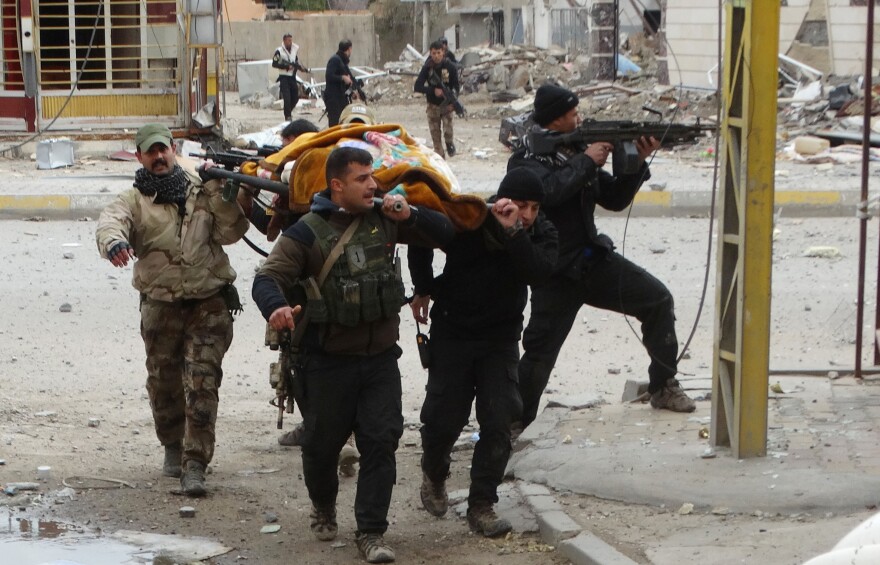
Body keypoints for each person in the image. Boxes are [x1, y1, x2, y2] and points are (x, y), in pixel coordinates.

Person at [252, 147, 454, 563]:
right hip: (326, 363)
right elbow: (267, 277)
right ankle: (324, 505)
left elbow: (447, 233)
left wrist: (411, 215)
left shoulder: (385, 219)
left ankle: (371, 531)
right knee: (322, 447)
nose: (373, 185)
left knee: (381, 441)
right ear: (337, 185)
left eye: (373, 177)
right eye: (362, 178)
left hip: (380, 360)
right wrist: (275, 307)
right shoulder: (307, 232)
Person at [508, 84, 696, 433]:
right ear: (557, 118)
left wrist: (637, 162)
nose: (578, 118)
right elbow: (546, 193)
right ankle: (512, 424)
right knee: (538, 355)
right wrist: (586, 160)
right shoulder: (527, 157)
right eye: (573, 113)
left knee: (657, 300)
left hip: (592, 261)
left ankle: (663, 386)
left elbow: (613, 199)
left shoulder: (576, 150)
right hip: (556, 271)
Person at [95, 123, 249, 496]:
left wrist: (224, 194)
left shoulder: (203, 187)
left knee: (202, 381)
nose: (159, 157)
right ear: (140, 156)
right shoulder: (133, 199)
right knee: (163, 383)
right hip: (160, 306)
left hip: (207, 303)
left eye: (163, 149)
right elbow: (109, 223)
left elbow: (232, 232)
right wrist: (113, 242)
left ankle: (195, 463)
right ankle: (172, 445)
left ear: (174, 148)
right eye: (151, 152)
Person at [408, 168, 558, 537]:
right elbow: (421, 234)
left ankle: (482, 504)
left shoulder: (541, 233)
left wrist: (515, 231)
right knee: (444, 418)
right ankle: (435, 472)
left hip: (500, 339)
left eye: (534, 207)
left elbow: (538, 273)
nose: (526, 213)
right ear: (500, 199)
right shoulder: (470, 217)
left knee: (499, 419)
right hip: (453, 332)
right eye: (519, 205)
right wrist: (423, 287)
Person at [414, 40, 460, 159]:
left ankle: (449, 144)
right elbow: (417, 86)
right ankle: (440, 159)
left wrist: (453, 100)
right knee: (435, 135)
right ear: (430, 53)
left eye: (438, 53)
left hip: (447, 105)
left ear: (443, 52)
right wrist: (432, 90)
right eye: (433, 53)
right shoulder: (427, 68)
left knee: (448, 131)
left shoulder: (451, 67)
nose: (436, 56)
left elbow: (456, 86)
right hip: (433, 105)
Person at [273, 33, 310, 122]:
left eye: (291, 40)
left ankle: (288, 111)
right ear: (284, 41)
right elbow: (274, 63)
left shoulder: (293, 50)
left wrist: (301, 69)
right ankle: (288, 116)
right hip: (284, 77)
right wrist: (285, 67)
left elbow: (295, 62)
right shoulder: (279, 51)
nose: (290, 42)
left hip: (292, 77)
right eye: (288, 40)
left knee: (295, 97)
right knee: (287, 97)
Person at [324, 39, 359, 127]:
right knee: (334, 125)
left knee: (344, 122)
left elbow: (345, 82)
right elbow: (329, 76)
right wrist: (342, 78)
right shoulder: (335, 60)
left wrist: (352, 92)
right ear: (349, 49)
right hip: (334, 99)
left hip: (341, 98)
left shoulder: (342, 61)